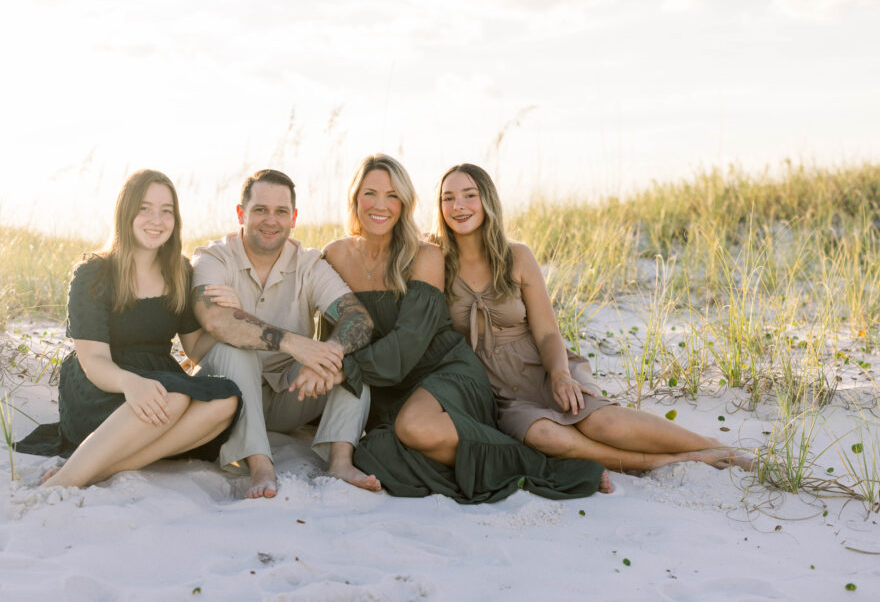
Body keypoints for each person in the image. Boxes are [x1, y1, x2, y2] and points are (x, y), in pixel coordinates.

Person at [321, 154, 608, 504]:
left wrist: (342, 369)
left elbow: (407, 345)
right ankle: (506, 448)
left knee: (414, 427)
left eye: (393, 195)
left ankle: (541, 461)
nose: (381, 205)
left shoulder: (422, 254)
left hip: (445, 371)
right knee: (378, 455)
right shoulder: (333, 254)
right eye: (370, 193)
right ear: (354, 198)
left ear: (405, 203)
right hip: (388, 386)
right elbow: (333, 334)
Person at [432, 163, 752, 473]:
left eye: (469, 195)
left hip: (542, 367)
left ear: (487, 199)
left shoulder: (517, 255)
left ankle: (708, 445)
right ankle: (659, 462)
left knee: (602, 423)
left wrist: (560, 375)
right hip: (495, 392)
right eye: (448, 198)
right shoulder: (434, 259)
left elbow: (547, 333)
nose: (458, 205)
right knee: (545, 435)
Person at [16, 169, 241, 488]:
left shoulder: (179, 271)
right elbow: (92, 359)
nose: (157, 220)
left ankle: (105, 468)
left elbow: (195, 348)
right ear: (126, 213)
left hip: (160, 382)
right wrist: (130, 383)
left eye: (167, 211)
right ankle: (64, 481)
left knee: (227, 400)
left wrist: (228, 316)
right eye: (145, 208)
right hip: (102, 384)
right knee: (173, 398)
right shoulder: (93, 273)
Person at [191, 169, 378, 499]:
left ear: (293, 218)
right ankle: (260, 465)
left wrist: (327, 353)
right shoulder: (214, 258)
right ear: (241, 214)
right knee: (236, 351)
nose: (270, 220)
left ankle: (340, 462)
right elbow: (216, 320)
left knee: (348, 367)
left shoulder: (308, 264)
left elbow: (357, 317)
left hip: (290, 392)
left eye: (280, 212)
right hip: (225, 394)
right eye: (260, 210)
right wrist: (295, 344)